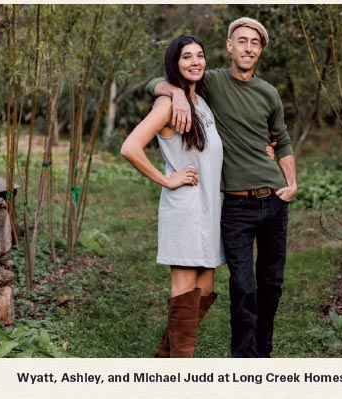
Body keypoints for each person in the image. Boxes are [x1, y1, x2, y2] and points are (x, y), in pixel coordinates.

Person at [146, 17, 297, 358]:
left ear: (260, 50)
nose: (247, 48)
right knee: (242, 286)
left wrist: (292, 182)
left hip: (271, 199)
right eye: (241, 41)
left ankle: (262, 356)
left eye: (254, 43)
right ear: (229, 46)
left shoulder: (267, 92)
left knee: (269, 284)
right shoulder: (210, 82)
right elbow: (157, 80)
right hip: (233, 204)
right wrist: (174, 94)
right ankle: (236, 360)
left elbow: (281, 139)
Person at [121, 35, 223, 358]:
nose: (195, 62)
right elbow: (130, 147)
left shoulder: (200, 102)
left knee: (204, 290)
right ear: (174, 64)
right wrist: (167, 179)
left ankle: (164, 360)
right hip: (185, 210)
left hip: (209, 209)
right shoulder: (168, 104)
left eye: (200, 55)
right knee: (184, 295)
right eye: (186, 57)